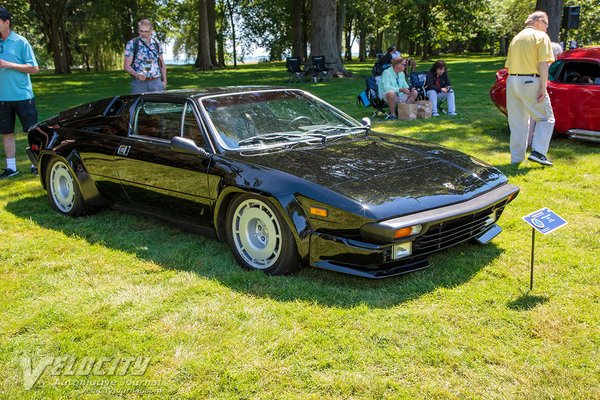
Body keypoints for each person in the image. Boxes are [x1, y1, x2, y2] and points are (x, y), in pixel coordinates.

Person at [505, 11, 555, 166]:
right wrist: (543, 86)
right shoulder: (541, 37)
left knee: (518, 123)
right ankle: (539, 152)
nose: (546, 29)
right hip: (530, 80)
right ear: (539, 21)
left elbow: (508, 65)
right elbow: (543, 64)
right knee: (546, 118)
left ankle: (516, 158)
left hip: (512, 80)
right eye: (546, 25)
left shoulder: (516, 38)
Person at [0, 7, 39, 178]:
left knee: (31, 132)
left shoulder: (21, 42)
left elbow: (34, 68)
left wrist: (7, 64)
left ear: (6, 22)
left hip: (23, 97)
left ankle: (36, 164)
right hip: (2, 98)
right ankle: (11, 168)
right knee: (6, 133)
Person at [124, 19, 167, 94]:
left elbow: (162, 64)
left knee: (157, 105)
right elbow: (126, 66)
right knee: (138, 104)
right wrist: (137, 75)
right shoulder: (132, 44)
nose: (143, 34)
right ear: (138, 30)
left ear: (151, 31)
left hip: (156, 82)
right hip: (139, 83)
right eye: (141, 31)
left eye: (146, 31)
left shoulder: (156, 43)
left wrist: (164, 81)